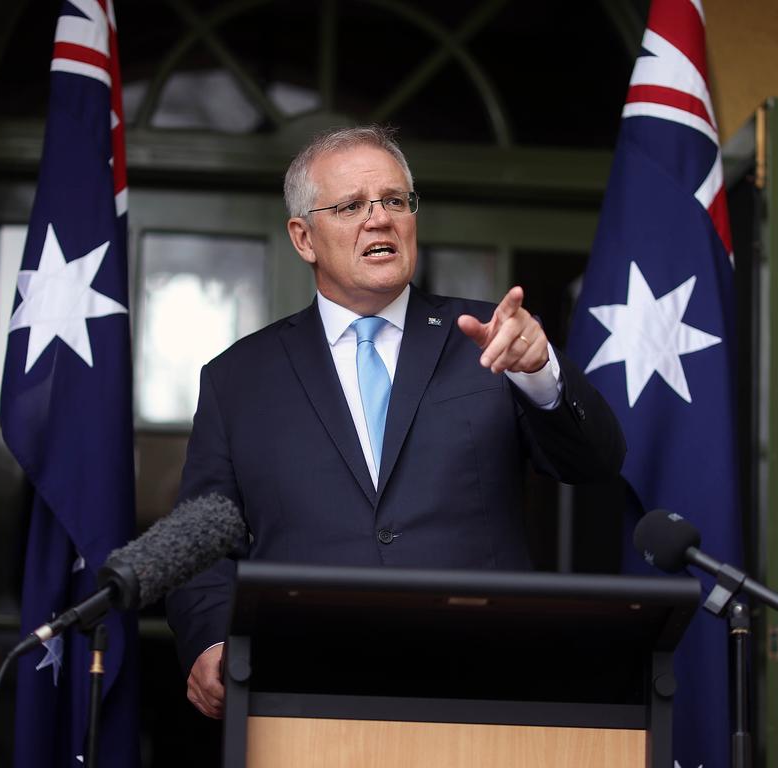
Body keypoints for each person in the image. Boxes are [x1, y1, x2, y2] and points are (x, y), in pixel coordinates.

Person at [165, 125, 626, 719]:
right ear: (303, 237)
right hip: (305, 698)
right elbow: (199, 546)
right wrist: (208, 640)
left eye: (394, 201)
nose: (379, 218)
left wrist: (540, 372)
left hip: (484, 693)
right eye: (352, 206)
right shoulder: (238, 379)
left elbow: (595, 462)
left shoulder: (492, 338)